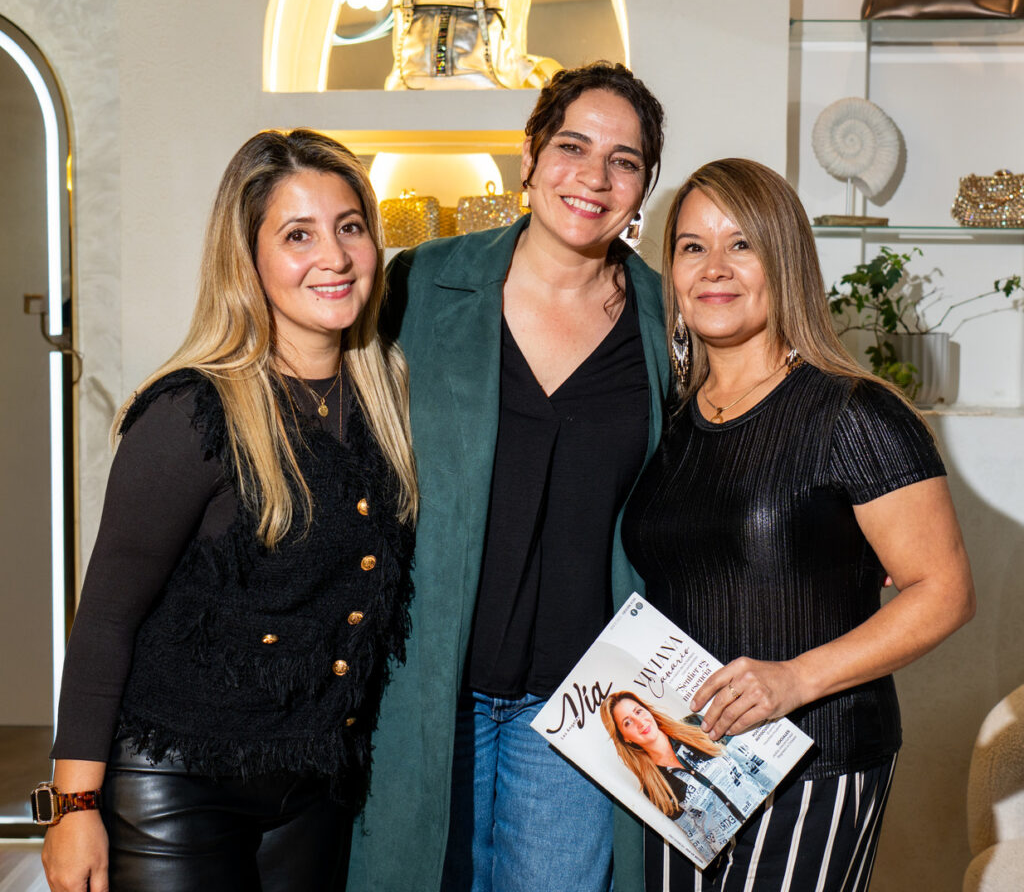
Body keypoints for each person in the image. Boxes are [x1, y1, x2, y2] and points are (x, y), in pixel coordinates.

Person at [38, 128, 417, 892]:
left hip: (318, 789)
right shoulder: (190, 414)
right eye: (298, 235)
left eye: (350, 227)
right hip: (176, 786)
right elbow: (106, 618)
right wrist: (72, 808)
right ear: (248, 259)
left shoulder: (391, 403)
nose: (335, 257)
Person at [346, 62, 669, 892]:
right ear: (529, 156)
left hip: (581, 701)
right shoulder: (421, 284)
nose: (594, 178)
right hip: (426, 685)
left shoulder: (666, 319)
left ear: (643, 186)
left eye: (624, 161)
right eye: (572, 147)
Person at [620, 158, 976, 891]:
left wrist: (794, 679)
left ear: (785, 261)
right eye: (692, 247)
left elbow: (944, 591)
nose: (714, 268)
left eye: (741, 244)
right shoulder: (673, 421)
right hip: (687, 763)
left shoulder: (854, 412)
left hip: (814, 761)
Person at [601, 691, 775, 865]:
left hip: (772, 815)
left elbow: (753, 764)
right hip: (742, 854)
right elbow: (695, 836)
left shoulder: (695, 724)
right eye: (628, 722)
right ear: (625, 738)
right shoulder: (654, 787)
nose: (640, 722)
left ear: (648, 710)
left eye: (638, 711)